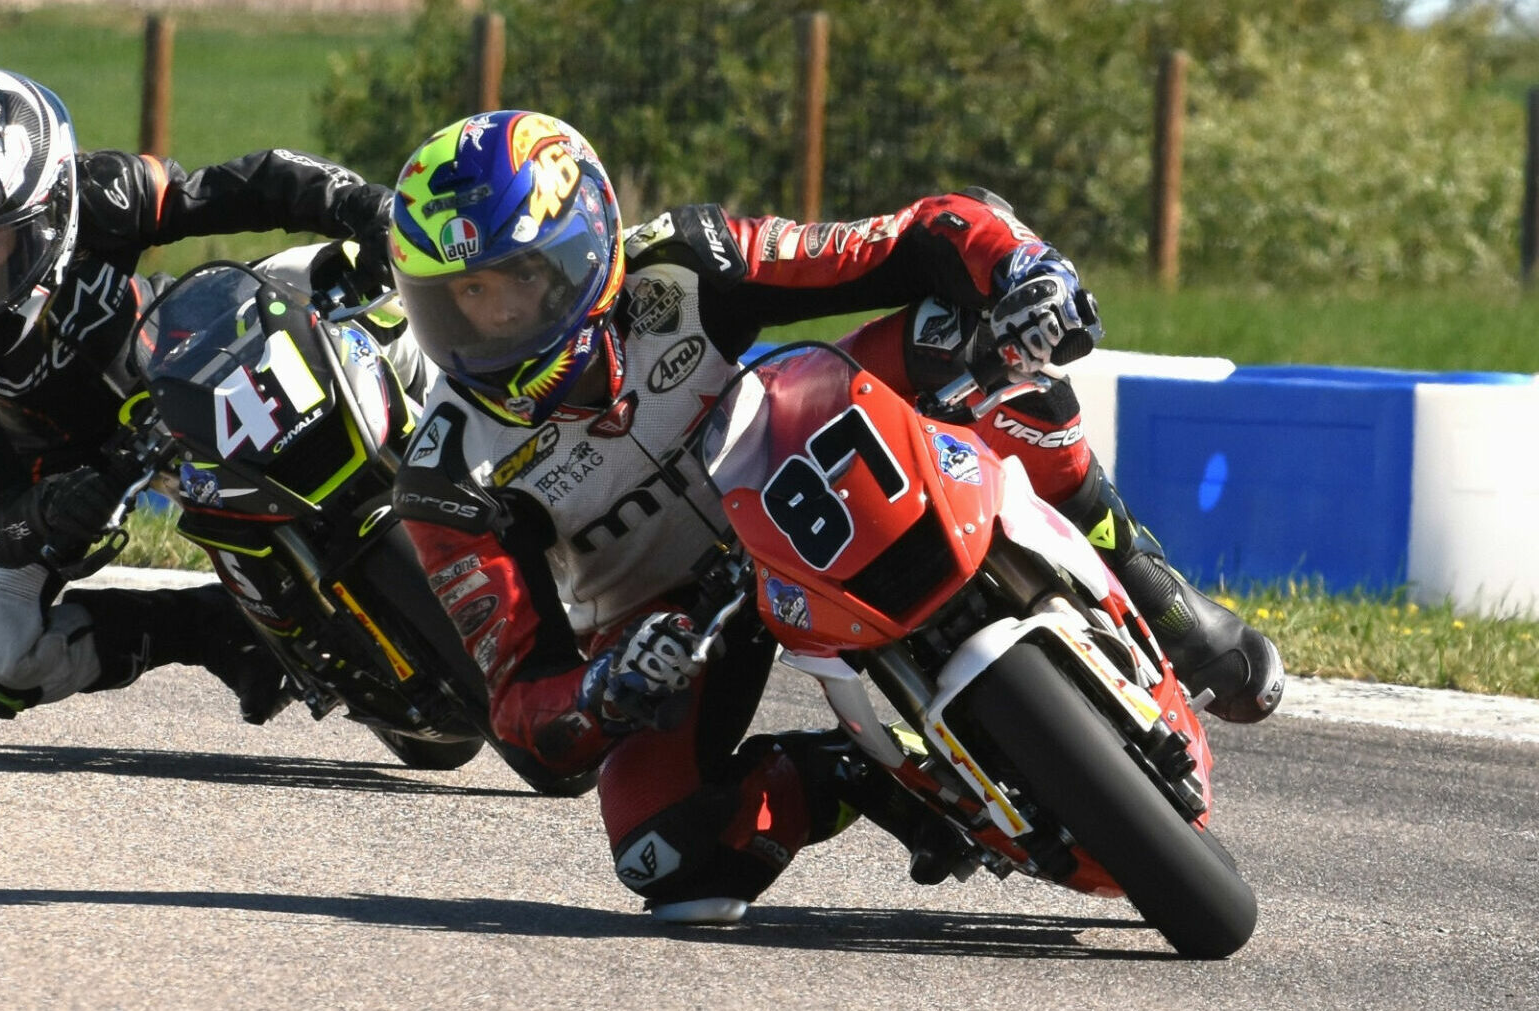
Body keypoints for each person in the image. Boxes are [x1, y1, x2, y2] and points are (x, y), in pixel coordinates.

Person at [387, 110, 1284, 923]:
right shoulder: (445, 474)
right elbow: (523, 712)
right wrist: (601, 687)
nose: (488, 323)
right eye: (456, 300)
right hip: (682, 614)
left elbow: (903, 238)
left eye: (510, 283)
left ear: (585, 249)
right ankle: (863, 775)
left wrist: (1023, 268)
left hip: (799, 451)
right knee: (664, 854)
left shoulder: (688, 259)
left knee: (960, 326)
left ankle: (1146, 579)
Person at [0, 68, 395, 722]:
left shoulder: (100, 191)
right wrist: (48, 510)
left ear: (48, 211)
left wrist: (361, 205)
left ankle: (461, 478)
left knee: (327, 273)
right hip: (86, 472)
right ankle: (205, 625)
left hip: (184, 357)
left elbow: (246, 186)